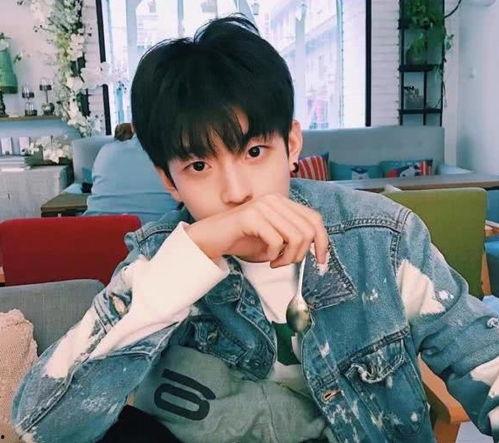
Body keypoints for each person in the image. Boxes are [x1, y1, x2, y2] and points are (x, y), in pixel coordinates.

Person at [11, 16, 499, 443]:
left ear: (292, 144)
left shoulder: (381, 238)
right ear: (169, 180)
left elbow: (480, 354)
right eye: (199, 166)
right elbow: (41, 424)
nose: (236, 193)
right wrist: (194, 254)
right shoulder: (156, 263)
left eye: (254, 152)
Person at [84, 123, 179, 224]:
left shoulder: (105, 152)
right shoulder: (172, 154)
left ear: (133, 126)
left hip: (93, 229)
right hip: (160, 231)